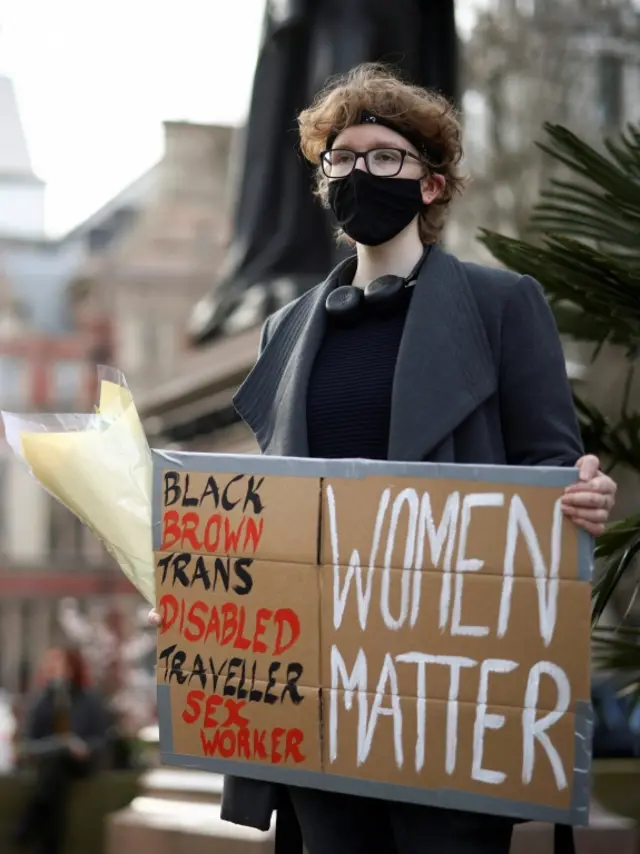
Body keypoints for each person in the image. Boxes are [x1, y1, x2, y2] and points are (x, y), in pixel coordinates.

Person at [149, 63, 617, 854]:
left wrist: (583, 500)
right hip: (317, 698)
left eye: (385, 156)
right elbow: (273, 514)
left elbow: (551, 472)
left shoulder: (503, 306)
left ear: (432, 186)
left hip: (446, 705)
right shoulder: (285, 330)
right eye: (342, 157)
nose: (359, 171)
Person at [14, 646, 110, 854]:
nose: (56, 671)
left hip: (82, 764)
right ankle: (51, 846)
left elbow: (102, 739)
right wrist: (61, 744)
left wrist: (84, 747)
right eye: (52, 666)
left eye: (61, 665)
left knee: (55, 772)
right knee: (56, 768)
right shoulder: (41, 701)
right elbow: (28, 744)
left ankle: (28, 825)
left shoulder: (90, 700)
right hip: (52, 764)